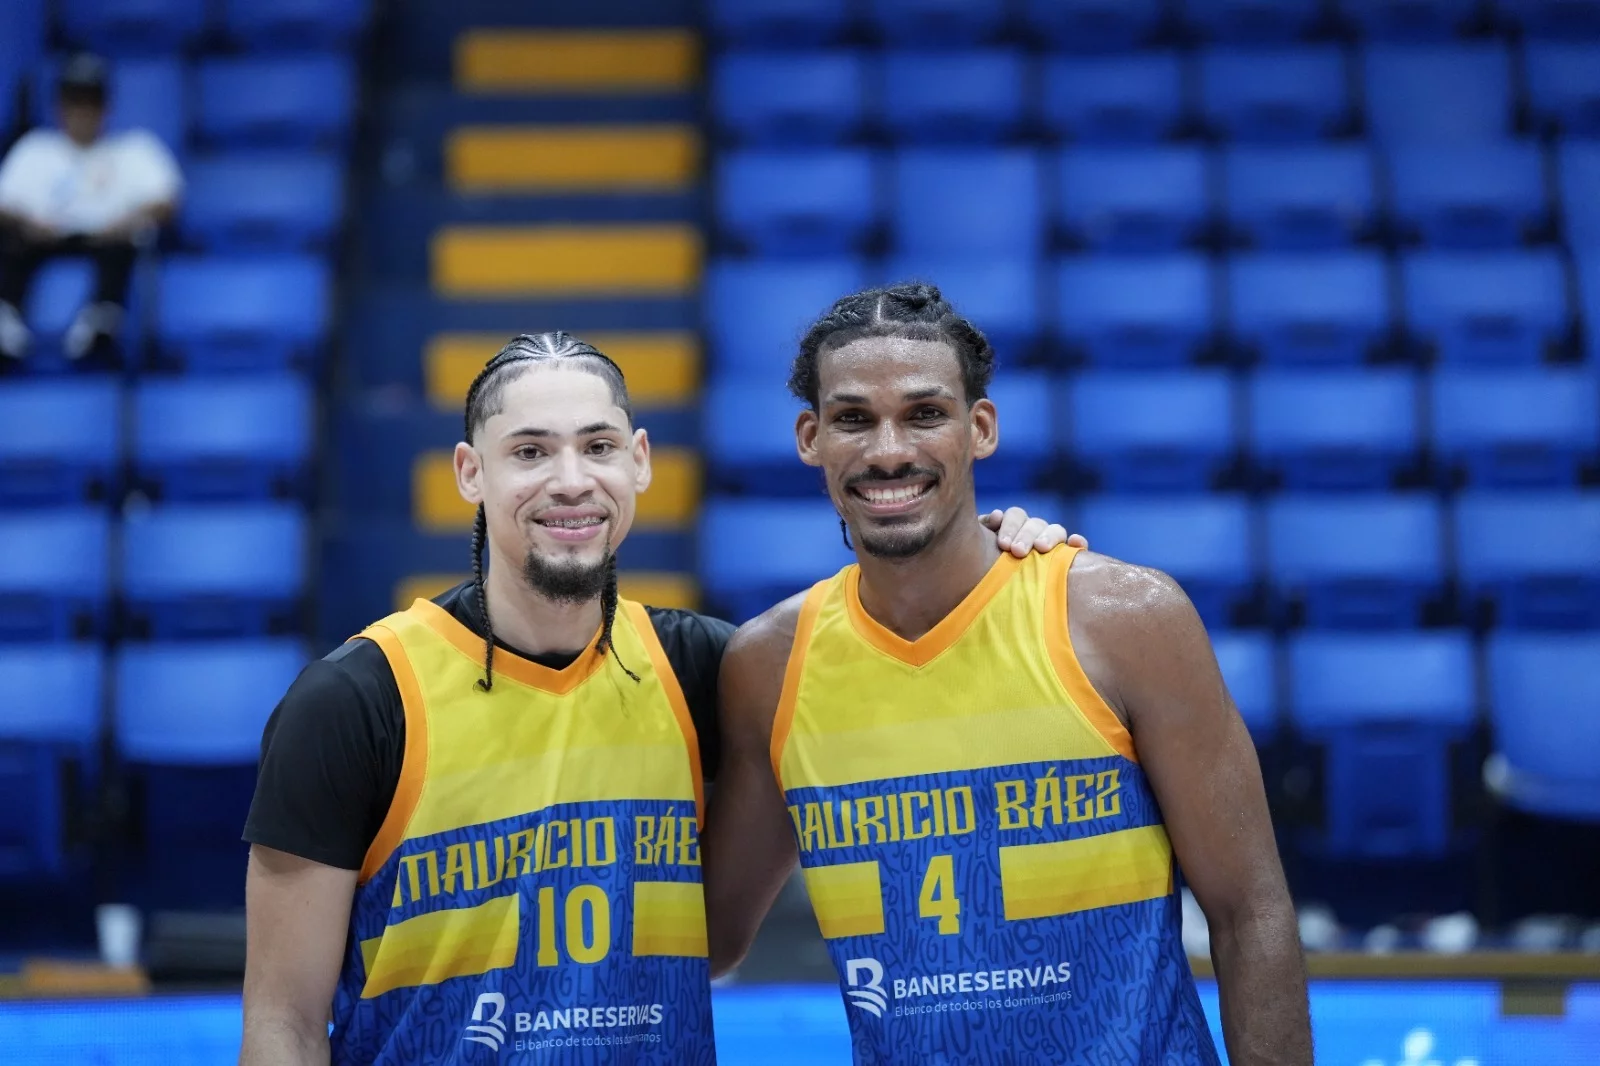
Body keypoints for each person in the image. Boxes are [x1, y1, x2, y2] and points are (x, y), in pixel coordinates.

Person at [237, 331, 1073, 1065]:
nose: (571, 481)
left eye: (597, 447)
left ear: (639, 461)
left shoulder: (715, 670)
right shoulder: (352, 703)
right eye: (529, 452)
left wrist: (992, 554)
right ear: (470, 472)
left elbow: (916, 674)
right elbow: (283, 1022)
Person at [704, 285, 1313, 1065]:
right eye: (854, 418)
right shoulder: (768, 666)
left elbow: (1249, 912)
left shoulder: (1128, 622)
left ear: (979, 428)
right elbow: (710, 942)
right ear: (810, 438)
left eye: (925, 413)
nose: (890, 449)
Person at [0, 53, 181, 365]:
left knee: (128, 244)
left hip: (108, 237)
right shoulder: (34, 149)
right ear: (59, 106)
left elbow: (167, 201)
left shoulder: (134, 149)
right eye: (74, 100)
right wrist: (27, 221)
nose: (83, 111)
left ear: (107, 106)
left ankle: (102, 323)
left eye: (91, 101)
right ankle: (6, 319)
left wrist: (127, 221)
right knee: (9, 241)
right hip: (42, 235)